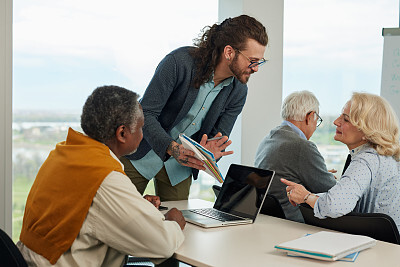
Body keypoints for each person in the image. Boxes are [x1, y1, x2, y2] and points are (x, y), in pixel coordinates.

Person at [17, 86, 185, 266]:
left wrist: (134, 205)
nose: (143, 135)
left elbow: (86, 209)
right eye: (141, 127)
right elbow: (163, 244)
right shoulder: (106, 177)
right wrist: (173, 221)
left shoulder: (63, 154)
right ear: (122, 133)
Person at [121, 15, 269, 201]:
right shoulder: (178, 63)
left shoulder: (238, 91)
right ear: (229, 52)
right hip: (141, 152)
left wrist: (210, 155)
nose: (256, 68)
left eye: (260, 62)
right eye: (252, 61)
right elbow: (145, 114)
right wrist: (173, 148)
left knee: (176, 222)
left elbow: (218, 139)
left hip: (179, 168)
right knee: (115, 215)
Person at [282, 92, 400, 231]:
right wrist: (311, 196)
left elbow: (335, 205)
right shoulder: (383, 156)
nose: (336, 121)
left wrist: (306, 197)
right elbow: (345, 198)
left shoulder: (366, 160)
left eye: (346, 119)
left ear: (367, 130)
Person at [254, 90, 337, 222]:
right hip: (295, 222)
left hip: (269, 218)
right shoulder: (302, 146)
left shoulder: (269, 137)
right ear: (309, 117)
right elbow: (333, 192)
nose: (315, 126)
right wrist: (327, 178)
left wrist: (320, 174)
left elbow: (287, 173)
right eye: (317, 120)